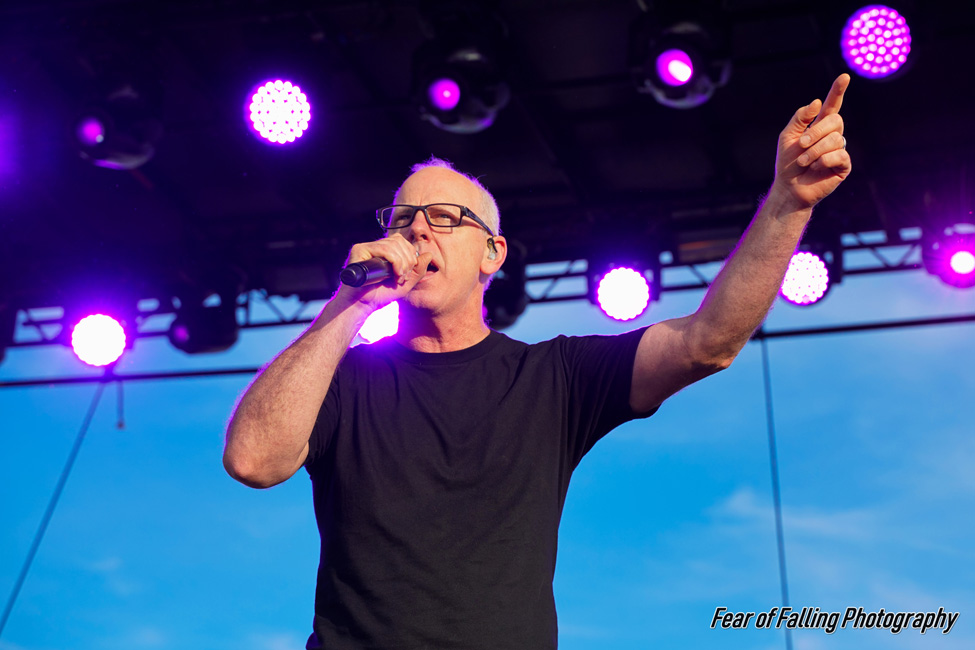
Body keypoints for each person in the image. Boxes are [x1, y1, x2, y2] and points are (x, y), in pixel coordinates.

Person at [224, 74, 852, 649]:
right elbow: (252, 460)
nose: (418, 231)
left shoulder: (554, 378)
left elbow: (708, 342)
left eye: (443, 218)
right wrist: (351, 302)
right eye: (404, 218)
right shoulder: (341, 380)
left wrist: (789, 201)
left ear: (492, 254)